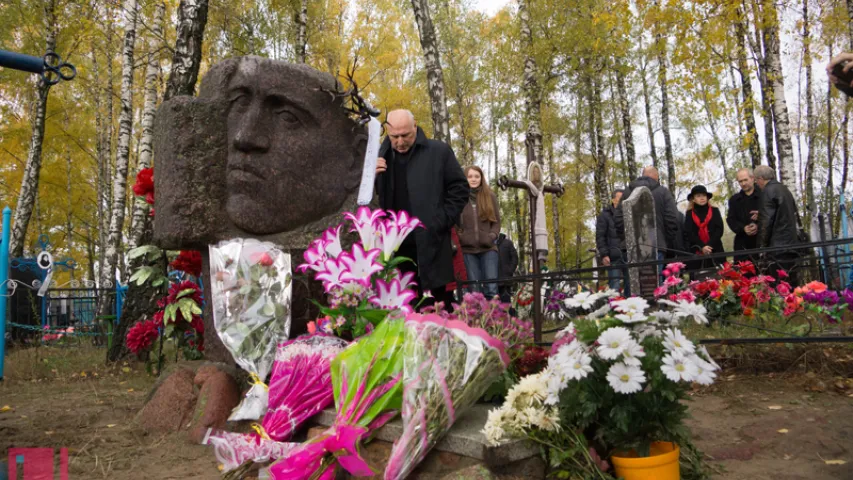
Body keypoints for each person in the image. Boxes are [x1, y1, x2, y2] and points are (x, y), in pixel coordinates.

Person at [375, 110, 470, 309]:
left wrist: (441, 220)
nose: (400, 142)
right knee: (403, 308)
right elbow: (365, 201)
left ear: (415, 127)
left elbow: (460, 189)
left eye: (405, 135)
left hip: (431, 241)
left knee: (438, 307)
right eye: (395, 137)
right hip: (395, 247)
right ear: (387, 133)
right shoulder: (377, 157)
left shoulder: (439, 151)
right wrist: (370, 176)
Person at [615, 166, 683, 262]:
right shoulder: (663, 192)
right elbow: (672, 218)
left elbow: (618, 218)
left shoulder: (627, 192)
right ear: (656, 176)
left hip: (631, 247)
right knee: (653, 276)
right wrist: (664, 239)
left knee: (631, 276)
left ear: (643, 175)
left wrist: (626, 236)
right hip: (656, 245)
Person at [457, 165, 501, 298]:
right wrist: (462, 237)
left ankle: (494, 318)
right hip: (468, 250)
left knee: (491, 288)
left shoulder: (490, 196)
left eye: (477, 176)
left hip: (489, 249)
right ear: (465, 179)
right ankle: (477, 318)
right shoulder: (459, 198)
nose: (473, 179)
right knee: (474, 290)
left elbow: (497, 222)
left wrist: (491, 236)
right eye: (470, 176)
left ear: (481, 178)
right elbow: (454, 223)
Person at [754, 165, 802, 284]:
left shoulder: (767, 191)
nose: (757, 184)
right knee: (792, 281)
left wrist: (762, 246)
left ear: (760, 179)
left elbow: (766, 221)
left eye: (756, 181)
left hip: (778, 247)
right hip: (791, 243)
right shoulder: (785, 189)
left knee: (779, 285)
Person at [683, 185, 725, 276]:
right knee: (698, 281)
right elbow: (689, 233)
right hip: (697, 251)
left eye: (703, 195)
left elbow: (719, 230)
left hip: (715, 249)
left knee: (719, 278)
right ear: (693, 199)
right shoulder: (689, 214)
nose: (702, 198)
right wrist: (702, 246)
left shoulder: (715, 210)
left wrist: (709, 245)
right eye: (698, 196)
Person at [596, 189, 629, 293]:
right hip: (613, 255)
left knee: (630, 284)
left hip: (627, 254)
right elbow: (600, 236)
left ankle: (630, 308)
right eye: (620, 198)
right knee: (614, 287)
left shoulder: (628, 215)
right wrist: (604, 254)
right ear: (614, 200)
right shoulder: (604, 215)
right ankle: (614, 308)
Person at [727, 168, 761, 263]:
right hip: (742, 244)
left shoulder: (764, 196)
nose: (743, 183)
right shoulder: (734, 200)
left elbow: (772, 217)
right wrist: (743, 228)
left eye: (745, 180)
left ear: (752, 178)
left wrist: (759, 224)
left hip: (762, 242)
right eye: (740, 181)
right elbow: (731, 219)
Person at [496, 231, 518, 304]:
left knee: (506, 304)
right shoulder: (489, 243)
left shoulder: (508, 243)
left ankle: (508, 315)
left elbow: (515, 258)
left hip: (505, 279)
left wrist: (510, 270)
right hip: (493, 279)